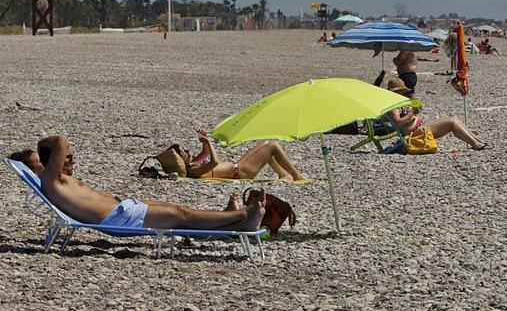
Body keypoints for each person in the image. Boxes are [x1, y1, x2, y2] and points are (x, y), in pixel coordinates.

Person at [23, 136, 265, 231]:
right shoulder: (51, 181)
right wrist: (43, 145)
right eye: (64, 157)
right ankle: (244, 214)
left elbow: (63, 149)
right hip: (119, 218)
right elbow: (62, 142)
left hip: (124, 209)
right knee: (181, 215)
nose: (70, 158)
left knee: (179, 216)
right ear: (50, 161)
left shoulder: (59, 181)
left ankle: (235, 223)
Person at [387, 78, 487, 150]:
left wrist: (413, 112)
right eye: (401, 91)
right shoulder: (393, 105)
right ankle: (475, 143)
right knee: (451, 122)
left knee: (453, 118)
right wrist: (413, 112)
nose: (403, 94)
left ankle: (476, 140)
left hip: (416, 129)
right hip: (413, 133)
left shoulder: (395, 102)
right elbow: (398, 122)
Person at [177, 128, 306, 180]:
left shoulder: (193, 162)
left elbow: (205, 153)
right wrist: (209, 142)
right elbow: (215, 161)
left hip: (238, 167)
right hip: (240, 173)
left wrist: (204, 139)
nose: (187, 151)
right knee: (273, 146)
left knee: (265, 144)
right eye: (183, 152)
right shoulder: (192, 170)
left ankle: (282, 174)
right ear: (179, 159)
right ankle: (296, 176)